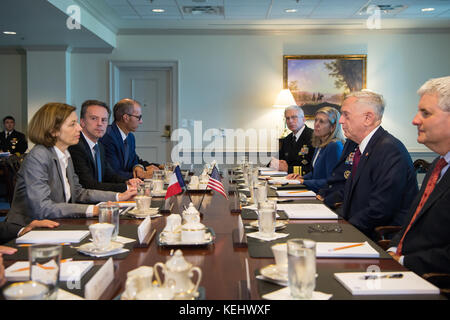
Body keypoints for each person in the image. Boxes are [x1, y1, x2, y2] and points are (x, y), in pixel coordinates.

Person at [5, 103, 137, 227]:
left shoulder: (64, 153)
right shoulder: (39, 156)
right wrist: (94, 209)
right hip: (27, 230)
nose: (79, 127)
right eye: (72, 124)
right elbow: (43, 208)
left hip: (58, 223)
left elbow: (78, 192)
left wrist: (118, 197)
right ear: (53, 130)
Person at [388, 76, 450, 275]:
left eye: (426, 113)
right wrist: (392, 250)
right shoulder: (438, 165)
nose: (415, 120)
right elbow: (411, 223)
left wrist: (403, 261)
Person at [339, 90, 418, 239]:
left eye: (346, 115)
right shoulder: (366, 147)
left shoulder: (389, 150)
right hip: (359, 230)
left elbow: (380, 210)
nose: (341, 120)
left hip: (379, 239)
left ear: (368, 118)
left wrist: (344, 230)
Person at [69, 100, 142, 192]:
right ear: (82, 122)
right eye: (94, 118)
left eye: (104, 120)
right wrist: (126, 187)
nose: (100, 124)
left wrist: (128, 182)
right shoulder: (76, 146)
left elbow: (109, 175)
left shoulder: (99, 146)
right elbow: (88, 185)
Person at [286, 106, 345, 193]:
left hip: (324, 196)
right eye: (316, 120)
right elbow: (315, 174)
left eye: (321, 121)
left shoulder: (334, 146)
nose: (316, 124)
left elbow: (332, 181)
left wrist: (304, 182)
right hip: (314, 191)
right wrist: (301, 177)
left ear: (332, 127)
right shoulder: (320, 144)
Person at [100, 99, 160, 180]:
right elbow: (114, 173)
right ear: (126, 118)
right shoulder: (108, 137)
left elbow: (134, 161)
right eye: (138, 117)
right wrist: (143, 175)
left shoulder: (130, 137)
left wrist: (156, 167)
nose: (141, 121)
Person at [269, 105, 315, 174]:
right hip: (286, 179)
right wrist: (276, 163)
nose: (290, 121)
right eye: (287, 118)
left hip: (304, 180)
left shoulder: (313, 137)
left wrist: (288, 169)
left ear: (303, 119)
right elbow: (274, 160)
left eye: (294, 117)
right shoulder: (287, 139)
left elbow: (313, 168)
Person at [316, 138, 358, 211]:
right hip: (332, 197)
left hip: (343, 205)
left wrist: (327, 199)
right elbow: (336, 175)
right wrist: (323, 192)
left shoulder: (335, 145)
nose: (342, 125)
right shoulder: (350, 142)